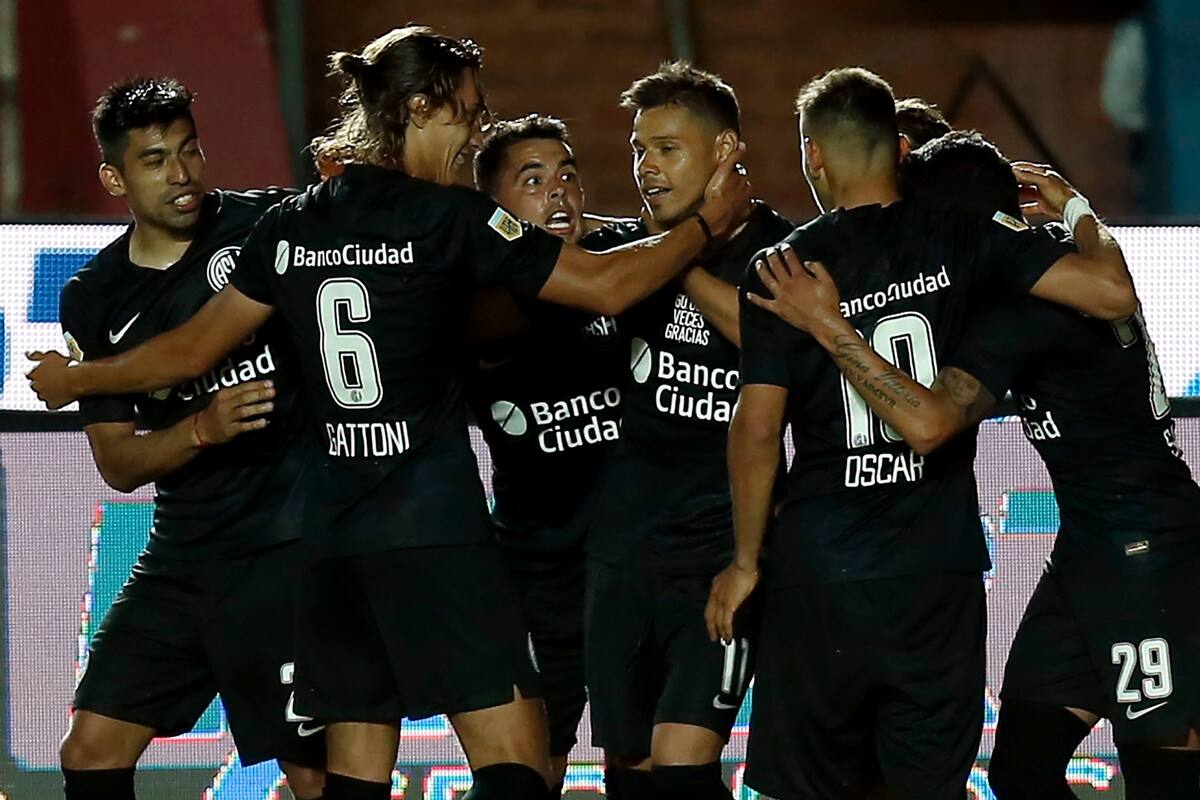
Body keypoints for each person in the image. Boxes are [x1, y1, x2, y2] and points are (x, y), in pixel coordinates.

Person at [27, 26, 751, 800]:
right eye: (468, 112)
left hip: (335, 546)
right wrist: (708, 224)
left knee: (354, 775)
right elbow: (607, 287)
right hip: (436, 533)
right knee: (514, 761)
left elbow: (190, 350)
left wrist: (82, 378)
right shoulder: (448, 218)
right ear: (418, 109)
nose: (476, 131)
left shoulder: (293, 224)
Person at [705, 67, 1136, 799]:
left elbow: (756, 427)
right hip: (936, 574)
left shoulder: (781, 268)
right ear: (898, 149)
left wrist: (745, 561)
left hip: (821, 572)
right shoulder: (967, 238)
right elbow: (1112, 294)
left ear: (814, 155)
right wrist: (1075, 207)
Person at [53, 77, 325, 800]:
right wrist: (203, 429)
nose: (181, 174)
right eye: (154, 160)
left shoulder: (265, 223)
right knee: (91, 749)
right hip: (185, 556)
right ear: (114, 178)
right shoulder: (93, 296)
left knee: (313, 772)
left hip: (288, 546)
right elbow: (119, 462)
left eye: (190, 150)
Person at [577, 61, 794, 800]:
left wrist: (677, 261)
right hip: (622, 552)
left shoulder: (784, 252)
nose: (647, 167)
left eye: (667, 149)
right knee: (631, 768)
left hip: (720, 557)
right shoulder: (627, 250)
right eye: (639, 150)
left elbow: (768, 338)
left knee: (683, 760)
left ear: (725, 149)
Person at [468, 114, 627, 795]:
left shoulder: (627, 259)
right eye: (532, 181)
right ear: (493, 207)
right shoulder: (469, 297)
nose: (558, 191)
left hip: (632, 569)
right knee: (532, 774)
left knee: (646, 766)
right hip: (537, 579)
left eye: (567, 175)